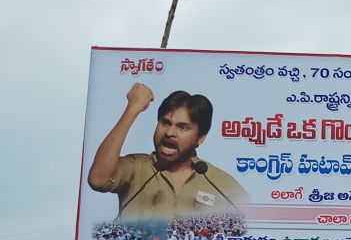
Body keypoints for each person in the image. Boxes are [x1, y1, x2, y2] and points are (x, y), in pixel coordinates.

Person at [87, 83, 249, 219]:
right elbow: (98, 180)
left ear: (200, 138)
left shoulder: (221, 184)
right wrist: (133, 109)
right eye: (165, 123)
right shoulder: (137, 167)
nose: (170, 132)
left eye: (182, 127)